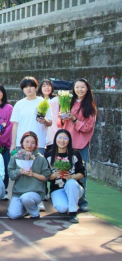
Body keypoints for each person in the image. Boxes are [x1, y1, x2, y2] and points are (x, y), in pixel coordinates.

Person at [57, 78, 97, 212]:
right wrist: (62, 117)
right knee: (63, 170)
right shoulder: (68, 101)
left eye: (82, 87)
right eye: (77, 87)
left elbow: (87, 127)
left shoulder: (90, 107)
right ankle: (65, 198)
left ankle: (82, 201)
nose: (79, 90)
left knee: (81, 172)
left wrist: (74, 119)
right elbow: (60, 123)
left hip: (80, 144)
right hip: (66, 142)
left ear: (87, 89)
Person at [7, 132, 51, 220]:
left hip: (35, 193)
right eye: (27, 142)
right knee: (13, 215)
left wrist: (33, 174)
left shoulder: (40, 158)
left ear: (36, 144)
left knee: (26, 198)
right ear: (22, 142)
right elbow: (11, 175)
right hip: (18, 193)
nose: (29, 145)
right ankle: (26, 209)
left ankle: (34, 213)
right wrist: (19, 171)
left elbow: (46, 177)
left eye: (33, 142)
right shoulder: (16, 157)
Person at [45, 129, 85, 223]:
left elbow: (82, 173)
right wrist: (54, 175)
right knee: (62, 208)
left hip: (74, 187)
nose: (62, 141)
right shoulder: (49, 155)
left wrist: (71, 177)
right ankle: (69, 204)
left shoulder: (75, 154)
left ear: (69, 140)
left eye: (65, 138)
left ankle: (73, 213)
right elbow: (46, 177)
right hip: (57, 188)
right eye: (60, 137)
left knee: (71, 183)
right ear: (55, 139)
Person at [10, 77, 53, 155]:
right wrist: (13, 144)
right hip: (21, 143)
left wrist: (45, 121)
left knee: (38, 163)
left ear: (36, 88)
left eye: (31, 86)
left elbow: (50, 122)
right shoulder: (19, 104)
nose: (28, 89)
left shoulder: (43, 102)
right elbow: (15, 125)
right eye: (25, 87)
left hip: (39, 143)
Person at [38, 79, 60, 149]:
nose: (47, 88)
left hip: (54, 127)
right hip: (41, 128)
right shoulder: (37, 100)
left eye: (48, 86)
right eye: (44, 86)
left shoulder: (57, 99)